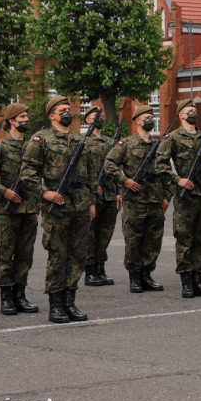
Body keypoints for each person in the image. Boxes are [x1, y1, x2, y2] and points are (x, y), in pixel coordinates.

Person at [20, 95, 94, 323]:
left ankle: (70, 302)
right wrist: (45, 192)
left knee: (77, 256)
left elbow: (91, 174)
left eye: (68, 109)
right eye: (62, 110)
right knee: (58, 256)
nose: (67, 112)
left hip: (80, 205)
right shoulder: (40, 139)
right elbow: (27, 173)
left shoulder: (80, 139)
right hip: (57, 206)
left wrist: (91, 202)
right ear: (52, 115)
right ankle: (56, 305)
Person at [0, 103, 41, 315]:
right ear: (11, 121)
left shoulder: (33, 147)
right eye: (22, 117)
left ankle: (20, 295)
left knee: (25, 255)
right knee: (6, 255)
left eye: (27, 116)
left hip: (29, 209)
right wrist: (3, 191)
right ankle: (6, 297)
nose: (26, 119)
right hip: (7, 211)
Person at [103, 105, 171, 294]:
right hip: (135, 202)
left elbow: (166, 173)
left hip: (155, 200)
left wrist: (167, 196)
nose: (150, 119)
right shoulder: (126, 144)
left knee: (153, 240)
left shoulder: (159, 145)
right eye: (146, 117)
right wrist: (125, 181)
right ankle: (134, 277)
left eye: (151, 116)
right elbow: (109, 164)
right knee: (133, 240)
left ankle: (147, 275)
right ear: (138, 121)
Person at [157, 98, 201, 298]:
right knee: (184, 239)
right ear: (181, 115)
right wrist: (178, 180)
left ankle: (198, 279)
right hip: (184, 198)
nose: (193, 113)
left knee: (200, 240)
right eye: (189, 110)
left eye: (194, 110)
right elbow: (160, 165)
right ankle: (186, 281)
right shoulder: (172, 138)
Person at [84, 106, 119, 287]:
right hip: (92, 195)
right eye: (95, 115)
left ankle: (100, 268)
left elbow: (117, 169)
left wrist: (119, 192)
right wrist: (92, 186)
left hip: (110, 194)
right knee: (90, 234)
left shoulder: (110, 142)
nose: (99, 118)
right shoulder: (83, 142)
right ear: (87, 120)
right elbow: (80, 168)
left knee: (105, 233)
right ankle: (90, 270)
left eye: (101, 115)